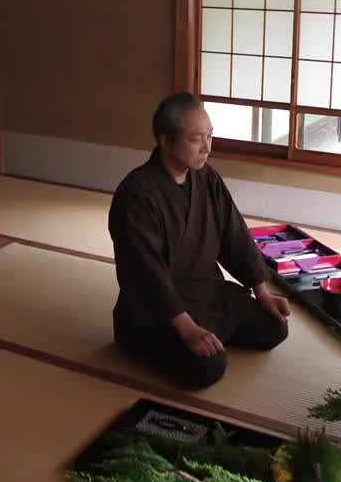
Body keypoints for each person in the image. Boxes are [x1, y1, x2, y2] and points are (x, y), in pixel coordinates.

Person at [108, 93, 290, 389]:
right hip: (156, 311)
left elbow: (234, 234)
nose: (207, 147)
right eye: (196, 139)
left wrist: (262, 292)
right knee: (208, 368)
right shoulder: (136, 195)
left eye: (210, 136)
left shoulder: (207, 178)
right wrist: (188, 329)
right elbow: (147, 273)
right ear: (166, 142)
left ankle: (211, 333)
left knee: (274, 327)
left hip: (206, 293)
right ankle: (142, 340)